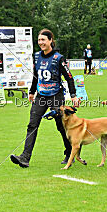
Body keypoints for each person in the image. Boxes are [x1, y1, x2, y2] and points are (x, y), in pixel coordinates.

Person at [10, 29, 80, 168]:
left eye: (43, 40)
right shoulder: (36, 56)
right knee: (32, 125)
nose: (41, 42)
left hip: (56, 96)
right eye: (39, 40)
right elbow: (36, 76)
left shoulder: (59, 58)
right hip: (41, 96)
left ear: (50, 41)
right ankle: (24, 157)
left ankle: (70, 152)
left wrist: (73, 95)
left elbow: (69, 77)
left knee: (61, 126)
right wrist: (31, 92)